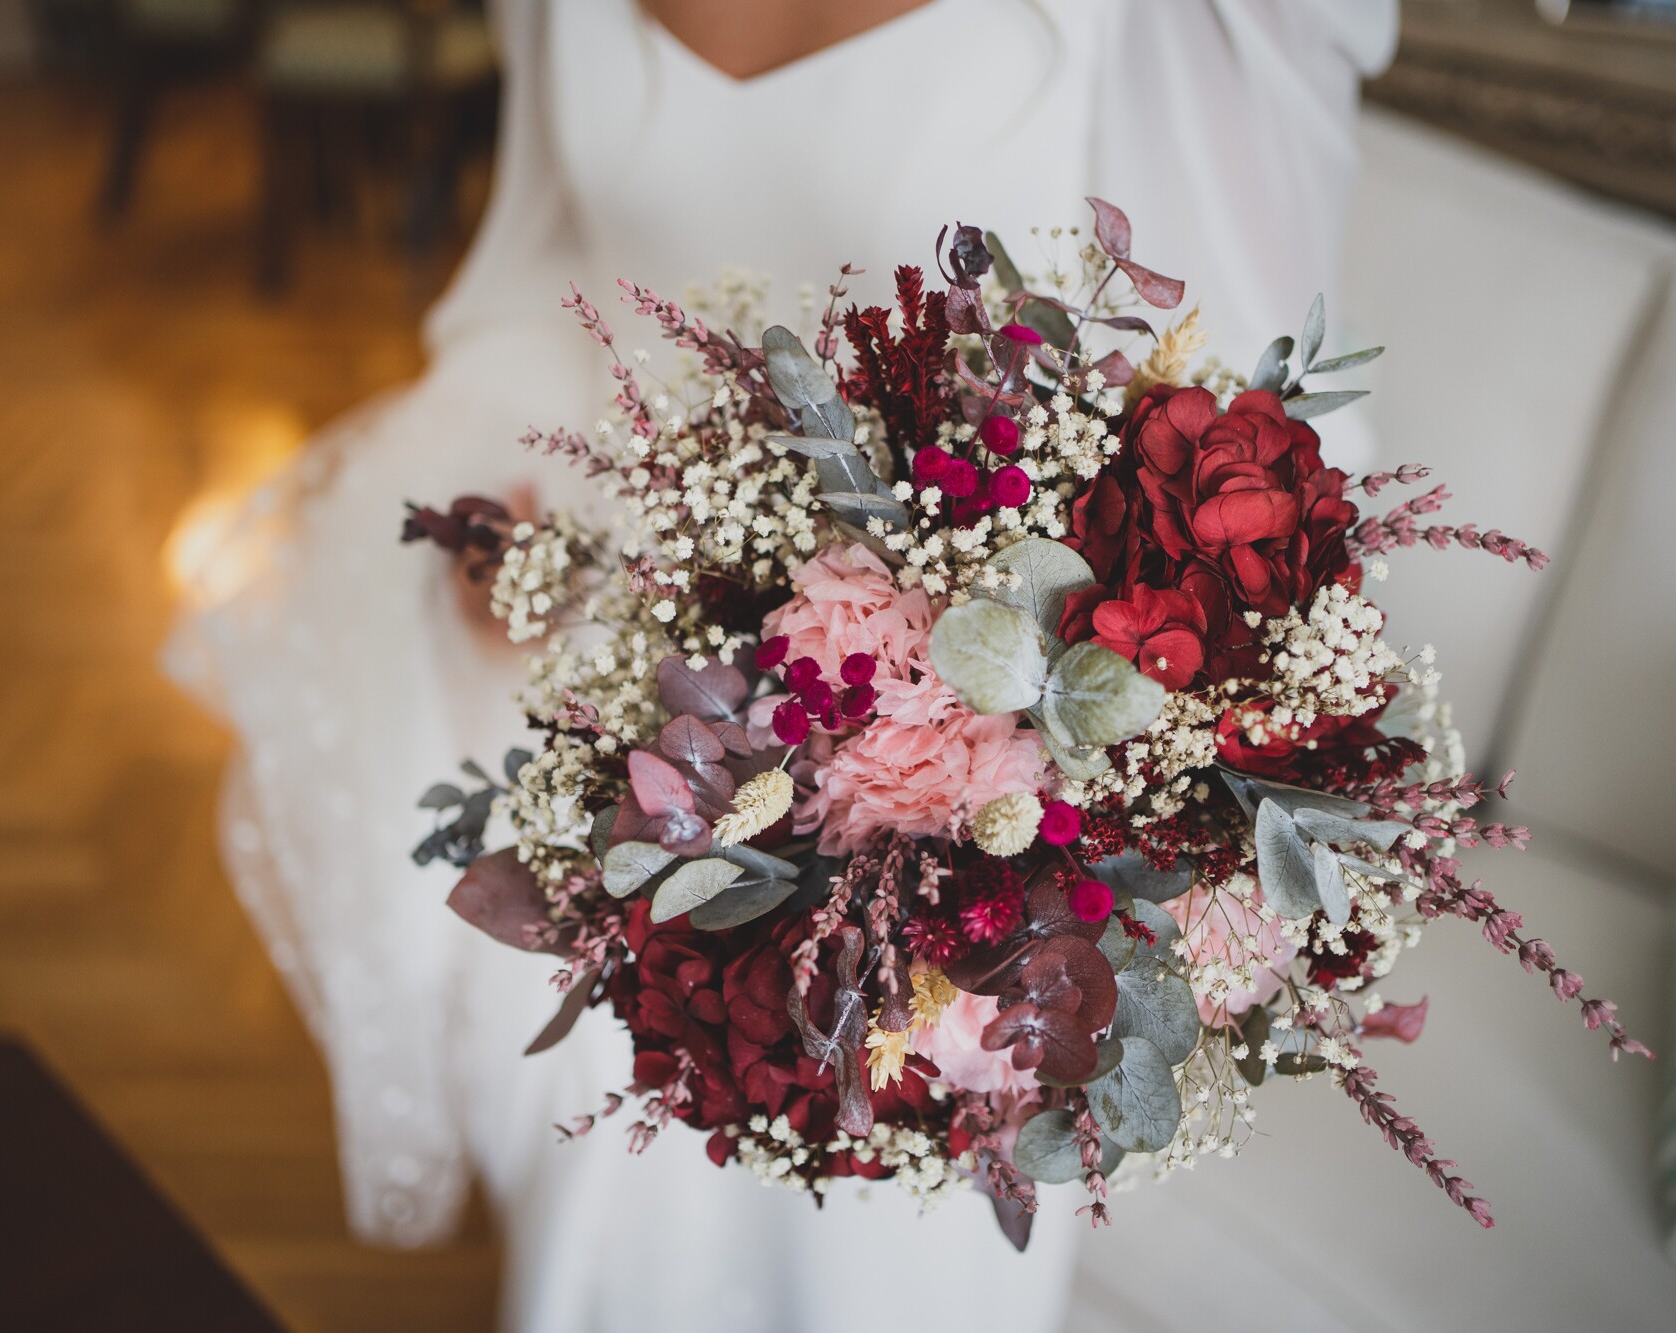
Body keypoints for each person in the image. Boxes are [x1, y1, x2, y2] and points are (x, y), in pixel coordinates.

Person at [165, 2, 1396, 1329]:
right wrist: (503, 515)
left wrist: (1053, 770)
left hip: (963, 773)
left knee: (881, 1253)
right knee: (597, 1211)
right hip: (606, 693)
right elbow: (538, 281)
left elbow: (1256, 443)